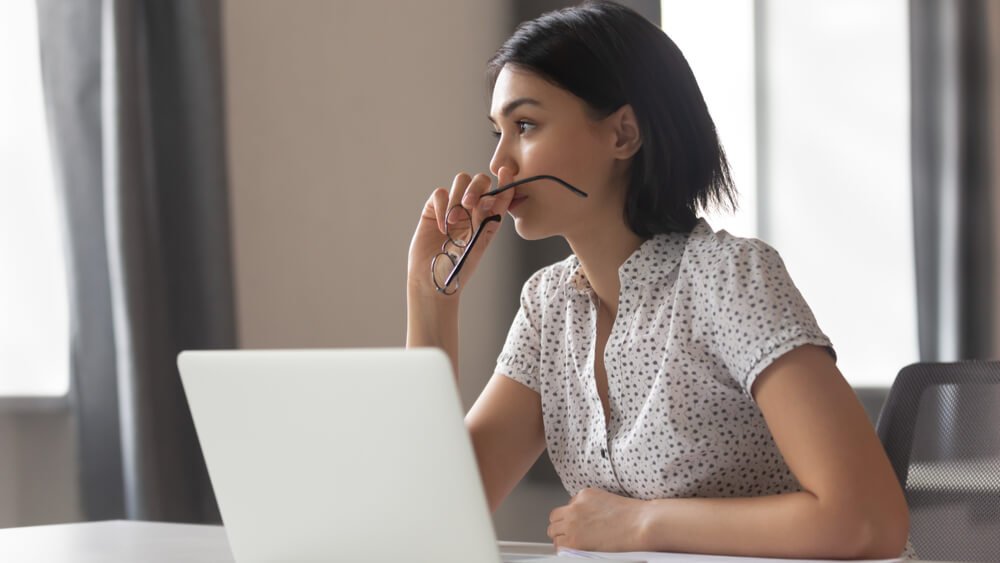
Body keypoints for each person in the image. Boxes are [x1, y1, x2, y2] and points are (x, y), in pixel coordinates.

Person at [405, 1, 910, 558]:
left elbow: (867, 520)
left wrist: (642, 524)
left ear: (623, 134)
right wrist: (431, 297)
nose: (500, 165)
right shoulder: (549, 307)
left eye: (525, 125)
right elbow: (438, 508)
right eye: (498, 132)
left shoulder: (729, 279)